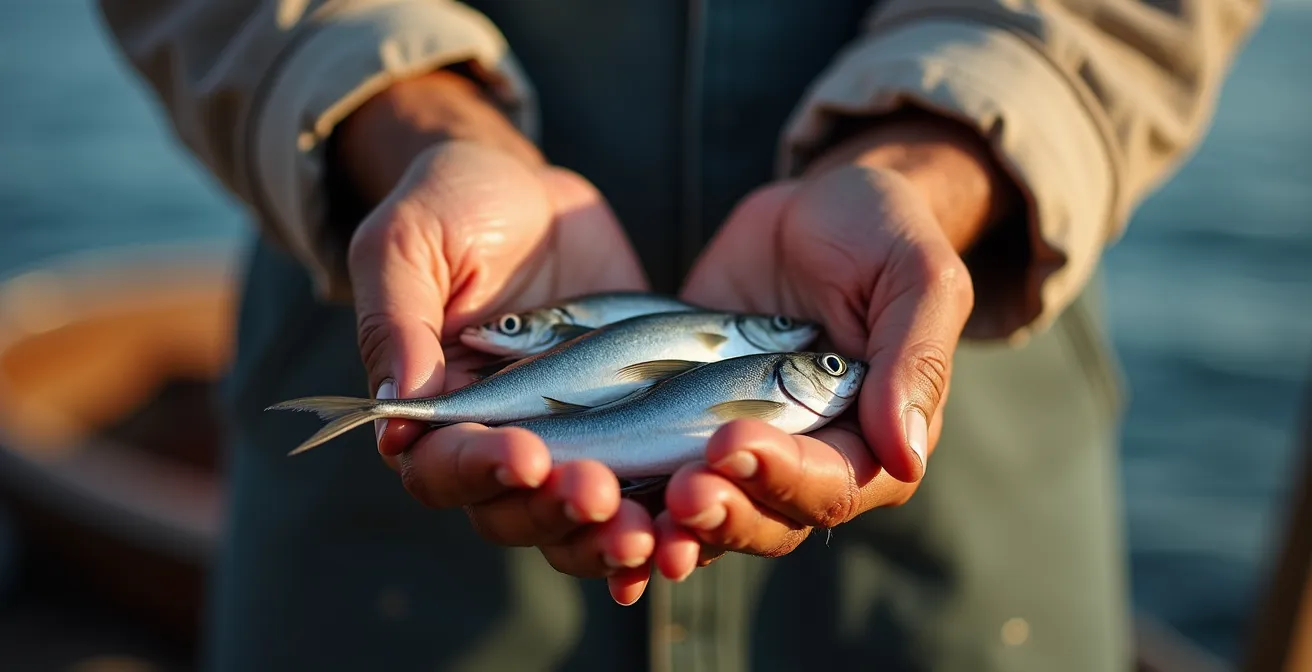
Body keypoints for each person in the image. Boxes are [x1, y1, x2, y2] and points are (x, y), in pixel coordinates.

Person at [95, 1, 1263, 670]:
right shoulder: (746, 361)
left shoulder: (776, 360)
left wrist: (941, 154)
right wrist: (404, 120)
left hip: (965, 542)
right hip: (387, 572)